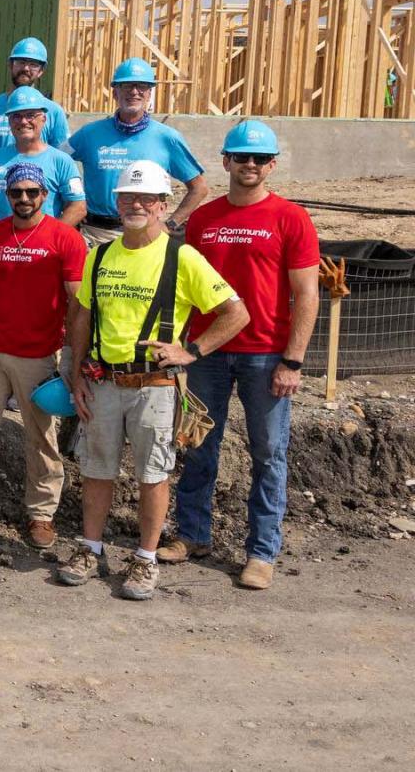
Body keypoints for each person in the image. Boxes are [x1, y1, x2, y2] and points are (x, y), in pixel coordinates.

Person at [61, 160, 249, 601]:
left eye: (146, 199)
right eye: (128, 197)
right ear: (117, 202)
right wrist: (77, 375)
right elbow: (83, 316)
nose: (136, 205)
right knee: (96, 469)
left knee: (152, 475)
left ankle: (145, 559)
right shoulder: (102, 255)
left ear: (164, 206)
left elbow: (235, 313)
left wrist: (193, 351)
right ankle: (91, 548)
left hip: (156, 387)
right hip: (104, 382)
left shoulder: (181, 257)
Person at [162, 120, 321, 591]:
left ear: (271, 165)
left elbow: (306, 295)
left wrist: (292, 361)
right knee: (198, 446)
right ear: (225, 161)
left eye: (258, 158)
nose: (248, 165)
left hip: (266, 355)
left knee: (269, 453)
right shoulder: (205, 219)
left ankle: (261, 552)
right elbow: (187, 289)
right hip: (206, 353)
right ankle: (193, 534)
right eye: (240, 156)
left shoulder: (290, 218)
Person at [0, 162, 87, 548]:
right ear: (7, 196)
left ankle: (41, 514)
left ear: (45, 194)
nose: (23, 199)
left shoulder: (66, 238)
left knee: (41, 437)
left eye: (31, 192)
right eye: (16, 193)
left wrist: (70, 354)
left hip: (40, 355)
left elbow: (77, 301)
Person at [67, 58, 207, 244]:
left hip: (146, 236)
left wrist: (171, 224)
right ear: (115, 92)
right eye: (126, 86)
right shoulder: (89, 134)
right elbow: (54, 161)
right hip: (96, 235)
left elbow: (199, 188)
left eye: (141, 86)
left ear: (149, 93)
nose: (134, 92)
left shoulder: (167, 138)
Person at [0, 85, 86, 231]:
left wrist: (48, 236)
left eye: (31, 115)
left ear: (44, 119)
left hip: (43, 250)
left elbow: (78, 207)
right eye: (17, 116)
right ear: (9, 121)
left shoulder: (62, 161)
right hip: (0, 249)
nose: (24, 121)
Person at [0, 37, 72, 183]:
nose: (26, 69)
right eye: (21, 62)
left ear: (41, 71)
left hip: (37, 198)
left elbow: (64, 160)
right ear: (10, 65)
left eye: (33, 64)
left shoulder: (53, 111)